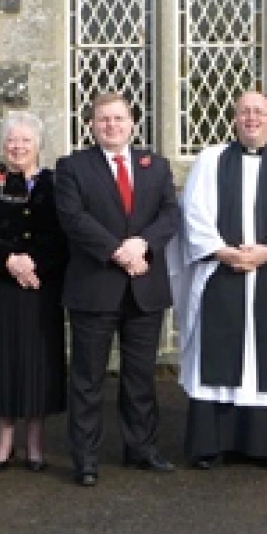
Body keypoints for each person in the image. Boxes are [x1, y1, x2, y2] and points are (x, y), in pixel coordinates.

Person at [170, 91, 267, 470]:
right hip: (220, 272)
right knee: (219, 349)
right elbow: (193, 211)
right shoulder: (210, 161)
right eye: (245, 112)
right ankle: (213, 445)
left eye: (259, 112)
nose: (252, 118)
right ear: (234, 118)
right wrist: (222, 251)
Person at [54, 92, 181, 487]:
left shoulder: (155, 167)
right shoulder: (73, 166)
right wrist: (117, 251)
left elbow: (170, 214)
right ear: (91, 124)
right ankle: (86, 457)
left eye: (119, 118)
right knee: (88, 378)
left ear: (132, 124)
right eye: (103, 119)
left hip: (144, 287)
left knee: (140, 377)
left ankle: (141, 448)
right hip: (94, 287)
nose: (111, 125)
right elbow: (73, 219)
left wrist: (142, 245)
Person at [0, 111, 68, 474]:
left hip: (41, 286)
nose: (17, 146)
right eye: (11, 140)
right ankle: (4, 444)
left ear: (38, 145)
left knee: (38, 363)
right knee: (3, 362)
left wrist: (32, 264)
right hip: (1, 285)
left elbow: (61, 234)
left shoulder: (57, 184)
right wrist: (9, 260)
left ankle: (36, 445)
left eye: (25, 140)